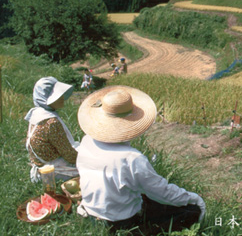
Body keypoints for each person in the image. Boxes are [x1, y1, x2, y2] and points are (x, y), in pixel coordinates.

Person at [76, 86, 205, 235]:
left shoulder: (86, 141)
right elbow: (162, 192)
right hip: (122, 221)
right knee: (190, 210)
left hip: (91, 213)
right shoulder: (131, 158)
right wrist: (194, 198)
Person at [25, 77, 79, 182]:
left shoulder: (37, 114)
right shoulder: (51, 122)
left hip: (42, 164)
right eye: (57, 96)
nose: (62, 97)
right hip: (51, 170)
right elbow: (70, 156)